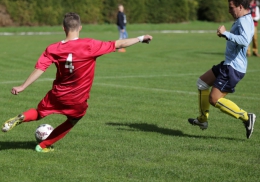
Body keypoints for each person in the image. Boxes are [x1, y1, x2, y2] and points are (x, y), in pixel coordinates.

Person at [2, 12, 152, 153]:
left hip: (58, 94)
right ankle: (43, 146)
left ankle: (21, 117)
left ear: (63, 28)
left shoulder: (53, 48)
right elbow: (119, 44)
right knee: (74, 118)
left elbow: (40, 68)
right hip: (77, 98)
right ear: (80, 27)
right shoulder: (90, 45)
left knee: (39, 112)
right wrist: (140, 38)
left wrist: (22, 86)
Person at [188, 0, 256, 139]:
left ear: (240, 6)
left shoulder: (244, 21)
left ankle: (246, 117)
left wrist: (226, 33)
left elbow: (244, 41)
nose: (229, 11)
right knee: (202, 83)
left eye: (231, 8)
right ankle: (202, 120)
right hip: (228, 64)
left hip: (233, 68)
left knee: (214, 99)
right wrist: (225, 34)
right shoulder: (244, 19)